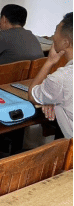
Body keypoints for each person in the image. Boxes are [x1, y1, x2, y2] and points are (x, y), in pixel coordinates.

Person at [29, 12, 73, 140]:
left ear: (65, 43)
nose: (53, 36)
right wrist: (52, 98)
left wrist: (50, 61)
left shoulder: (61, 78)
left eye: (55, 31)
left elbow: (32, 95)